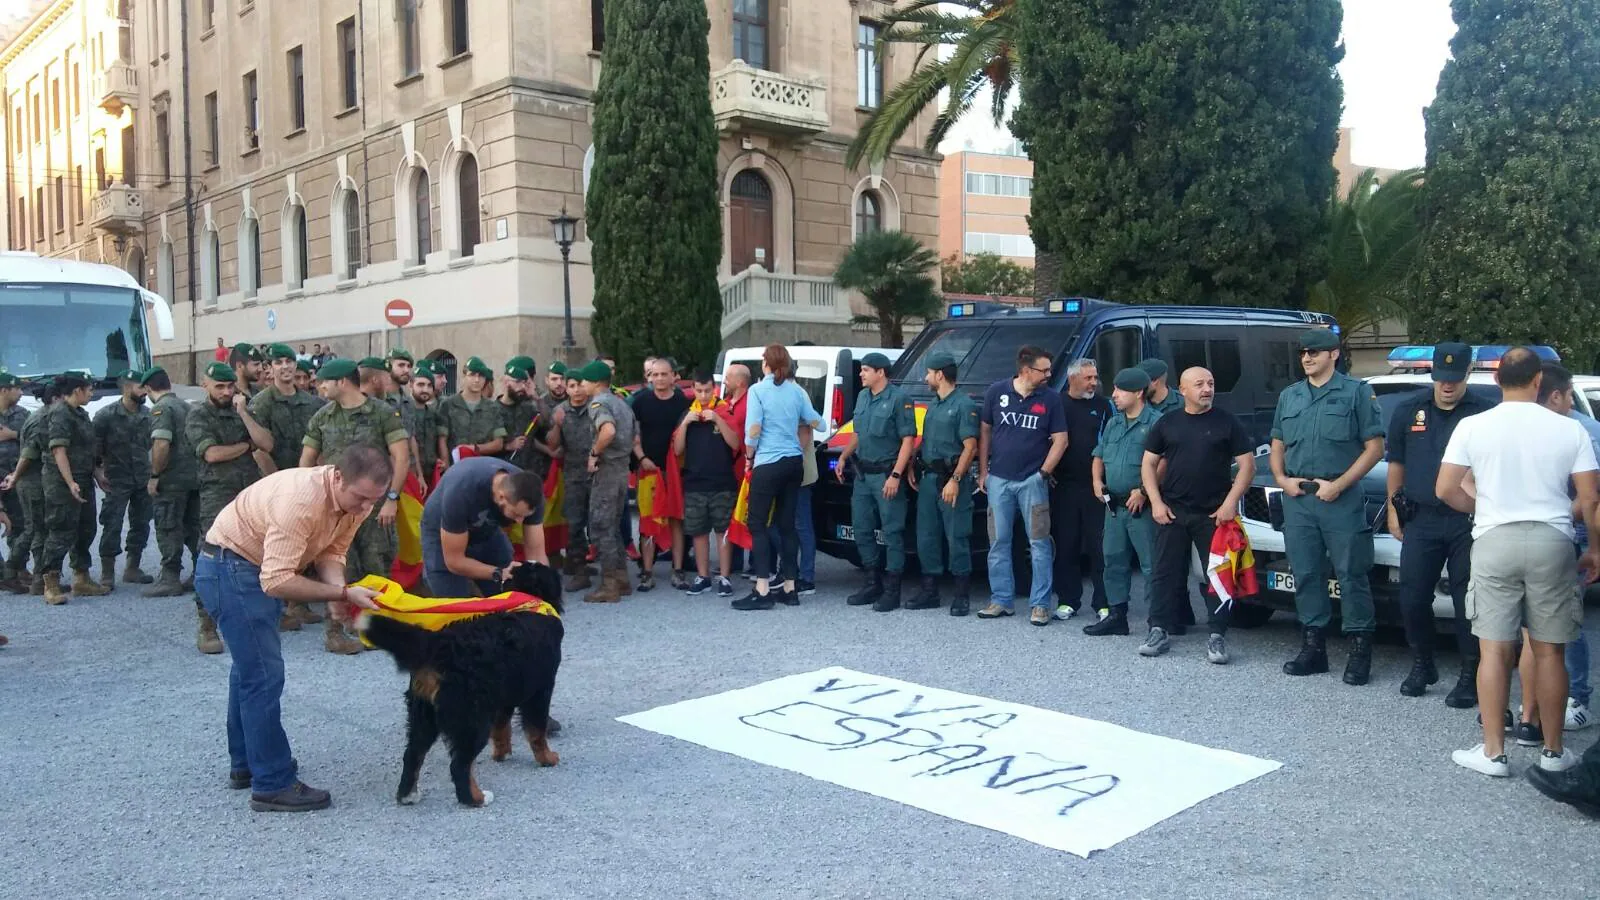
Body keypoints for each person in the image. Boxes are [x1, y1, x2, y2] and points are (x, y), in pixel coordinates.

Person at [195, 445, 392, 812]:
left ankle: (248, 764)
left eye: (374, 501)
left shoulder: (352, 501)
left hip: (247, 568)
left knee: (250, 670)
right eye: (361, 498)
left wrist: (337, 597)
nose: (366, 509)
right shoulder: (301, 501)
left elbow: (333, 551)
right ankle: (271, 783)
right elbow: (276, 581)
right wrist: (343, 591)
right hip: (231, 569)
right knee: (264, 674)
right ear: (337, 476)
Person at [1437, 347, 1598, 778]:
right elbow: (1591, 498)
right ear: (1538, 383)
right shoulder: (1568, 429)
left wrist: (1482, 510)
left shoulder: (1473, 426)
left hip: (1494, 538)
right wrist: (1595, 548)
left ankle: (1493, 753)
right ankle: (1553, 750)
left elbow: (1446, 488)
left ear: (1496, 381)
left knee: (1493, 649)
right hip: (1553, 540)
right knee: (1550, 650)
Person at [1270, 328, 1386, 685]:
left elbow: (1374, 448)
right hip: (1299, 500)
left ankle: (1359, 650)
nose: (1307, 358)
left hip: (1339, 497)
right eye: (1304, 352)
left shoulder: (1356, 393)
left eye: (1315, 352)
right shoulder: (1290, 396)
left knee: (1351, 574)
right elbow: (1277, 443)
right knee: (1305, 574)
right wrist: (1282, 479)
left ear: (1334, 354)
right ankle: (1313, 648)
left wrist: (1339, 485)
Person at [1385, 342, 1490, 703]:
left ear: (1467, 374)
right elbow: (1396, 463)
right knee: (1412, 597)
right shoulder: (1409, 410)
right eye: (1441, 378)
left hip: (1467, 521)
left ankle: (1469, 673)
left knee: (1467, 602)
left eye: (1455, 379)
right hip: (1421, 518)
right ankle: (1422, 664)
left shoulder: (1484, 413)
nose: (1447, 386)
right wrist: (1393, 507)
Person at [1138, 367, 1255, 662]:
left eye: (1211, 383)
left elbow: (1247, 466)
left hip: (1214, 514)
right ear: (1183, 390)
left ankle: (1217, 635)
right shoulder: (1168, 422)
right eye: (1200, 384)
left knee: (1217, 576)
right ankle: (1159, 629)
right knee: (1164, 574)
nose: (1207, 389)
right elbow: (1148, 464)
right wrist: (1155, 501)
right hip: (1173, 512)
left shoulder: (1227, 422)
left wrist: (1230, 503)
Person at [301, 358, 410, 653]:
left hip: (375, 507)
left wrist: (391, 499)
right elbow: (307, 460)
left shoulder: (382, 413)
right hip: (336, 507)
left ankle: (378, 629)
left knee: (378, 563)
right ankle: (335, 631)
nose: (319, 386)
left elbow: (401, 457)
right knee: (336, 566)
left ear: (342, 382)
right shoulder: (322, 417)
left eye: (324, 381)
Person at [1529, 364, 1600, 737]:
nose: (1571, 400)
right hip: (1544, 535)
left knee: (1566, 622)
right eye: (1569, 393)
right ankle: (1538, 702)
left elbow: (1592, 494)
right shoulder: (1533, 429)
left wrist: (1549, 516)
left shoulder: (1584, 431)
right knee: (1537, 626)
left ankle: (1579, 700)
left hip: (1575, 534)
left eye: (1570, 394)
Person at [977, 345, 1067, 625]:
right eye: (1044, 370)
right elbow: (985, 431)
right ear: (1026, 370)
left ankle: (1040, 605)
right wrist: (983, 472)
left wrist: (1042, 473)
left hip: (1032, 482)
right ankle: (1001, 600)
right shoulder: (997, 392)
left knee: (1039, 544)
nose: (1049, 375)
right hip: (999, 480)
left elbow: (1061, 440)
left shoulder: (1051, 399)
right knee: (998, 542)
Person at [186, 362, 270, 649]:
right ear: (205, 386)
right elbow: (212, 454)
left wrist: (244, 413)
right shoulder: (198, 415)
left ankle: (251, 613)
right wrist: (246, 447)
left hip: (249, 493)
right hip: (217, 494)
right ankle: (206, 623)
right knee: (212, 554)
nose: (225, 392)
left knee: (256, 550)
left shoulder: (242, 410)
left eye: (229, 386)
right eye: (219, 386)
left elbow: (266, 442)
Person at [733, 344, 823, 611]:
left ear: (767, 364)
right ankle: (790, 588)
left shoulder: (758, 391)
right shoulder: (798, 391)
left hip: (768, 462)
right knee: (788, 526)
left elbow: (753, 430)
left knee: (758, 524)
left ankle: (762, 589)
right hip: (794, 463)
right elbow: (817, 421)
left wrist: (749, 456)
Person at [834, 352, 916, 611]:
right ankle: (872, 582)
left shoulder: (898, 399)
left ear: (881, 372)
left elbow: (907, 440)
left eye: (866, 370)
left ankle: (892, 589)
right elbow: (860, 433)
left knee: (892, 531)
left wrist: (896, 475)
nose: (861, 374)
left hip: (885, 475)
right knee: (862, 527)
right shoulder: (862, 397)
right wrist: (844, 457)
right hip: (863, 475)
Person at [1085, 367, 1160, 636]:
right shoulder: (1115, 422)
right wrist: (1096, 481)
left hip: (1142, 507)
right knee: (1113, 559)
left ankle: (1157, 621)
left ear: (1138, 393)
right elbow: (1099, 454)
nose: (1114, 395)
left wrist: (1143, 490)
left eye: (1120, 390)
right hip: (1114, 507)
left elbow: (1163, 463)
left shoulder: (1155, 423)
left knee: (1151, 564)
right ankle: (1117, 616)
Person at [908, 351, 979, 615]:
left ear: (940, 374)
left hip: (952, 481)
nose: (926, 378)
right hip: (929, 479)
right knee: (926, 535)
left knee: (956, 535)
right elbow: (928, 440)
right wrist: (913, 464)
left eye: (928, 373)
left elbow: (970, 447)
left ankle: (961, 595)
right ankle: (930, 591)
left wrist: (956, 480)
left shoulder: (963, 405)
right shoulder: (934, 404)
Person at [421, 455, 547, 595]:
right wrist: (498, 573)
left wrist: (542, 592)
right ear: (501, 497)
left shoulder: (531, 496)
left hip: (486, 530)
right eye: (516, 515)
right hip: (444, 533)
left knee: (511, 593)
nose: (520, 521)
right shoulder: (461, 494)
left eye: (525, 516)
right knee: (457, 606)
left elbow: (536, 555)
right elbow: (454, 561)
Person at [40, 374, 111, 603]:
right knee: (61, 530)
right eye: (89, 390)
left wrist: (97, 474)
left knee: (86, 528)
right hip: (62, 482)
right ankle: (50, 583)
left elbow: (88, 449)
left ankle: (81, 578)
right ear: (77, 390)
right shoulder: (60, 413)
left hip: (83, 479)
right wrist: (70, 482)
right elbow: (58, 450)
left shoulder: (81, 414)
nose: (91, 394)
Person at [1052, 358, 1113, 620]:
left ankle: (1103, 601)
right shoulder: (1057, 404)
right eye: (1088, 378)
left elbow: (1110, 440)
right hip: (1064, 486)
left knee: (1100, 546)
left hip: (1096, 488)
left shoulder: (1103, 405)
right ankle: (1068, 600)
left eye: (1095, 377)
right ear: (1072, 378)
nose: (1094, 383)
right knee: (1066, 545)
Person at [675, 370, 741, 596]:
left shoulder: (724, 410)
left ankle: (724, 577)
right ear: (693, 390)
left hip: (722, 482)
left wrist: (718, 419)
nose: (703, 396)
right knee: (698, 532)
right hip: (694, 482)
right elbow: (677, 450)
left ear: (714, 389)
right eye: (698, 390)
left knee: (723, 531)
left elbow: (735, 444)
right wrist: (685, 424)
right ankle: (703, 576)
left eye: (707, 390)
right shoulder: (687, 414)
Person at [142, 366, 205, 600]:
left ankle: (170, 577)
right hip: (193, 479)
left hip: (172, 481)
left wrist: (155, 475)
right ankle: (200, 572)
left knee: (168, 526)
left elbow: (161, 444)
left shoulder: (161, 408)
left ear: (149, 388)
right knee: (192, 527)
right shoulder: (186, 406)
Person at [630, 357, 692, 591]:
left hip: (675, 471)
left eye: (663, 374)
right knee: (648, 521)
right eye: (654, 375)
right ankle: (647, 572)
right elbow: (633, 436)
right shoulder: (640, 401)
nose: (658, 379)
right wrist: (642, 458)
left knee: (677, 519)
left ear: (674, 375)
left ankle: (678, 570)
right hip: (648, 470)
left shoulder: (682, 402)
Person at [578, 360, 638, 603]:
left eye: (583, 381)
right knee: (613, 527)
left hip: (607, 472)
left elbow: (608, 431)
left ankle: (609, 585)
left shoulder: (598, 403)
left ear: (595, 383)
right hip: (622, 470)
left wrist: (594, 453)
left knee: (601, 526)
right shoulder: (622, 403)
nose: (581, 385)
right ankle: (621, 579)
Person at [92, 370, 155, 589]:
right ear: (127, 388)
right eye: (141, 387)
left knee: (141, 523)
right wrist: (98, 472)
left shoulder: (149, 415)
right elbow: (94, 449)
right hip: (116, 479)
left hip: (142, 478)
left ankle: (132, 567)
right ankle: (107, 572)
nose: (145, 391)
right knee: (112, 523)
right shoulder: (105, 415)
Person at [550, 371, 597, 591]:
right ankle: (578, 570)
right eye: (572, 386)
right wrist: (557, 425)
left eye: (580, 385)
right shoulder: (560, 411)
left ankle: (607, 570)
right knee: (575, 524)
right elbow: (553, 445)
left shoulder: (596, 408)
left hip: (597, 474)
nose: (576, 390)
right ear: (566, 389)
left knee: (598, 523)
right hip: (573, 476)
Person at [439, 356, 506, 466]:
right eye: (472, 375)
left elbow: (499, 443)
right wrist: (446, 463)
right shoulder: (448, 405)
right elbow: (442, 439)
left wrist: (474, 449)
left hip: (482, 467)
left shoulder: (493, 408)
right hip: (455, 467)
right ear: (464, 377)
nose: (477, 380)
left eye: (481, 376)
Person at [0, 370, 28, 593]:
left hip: (17, 476)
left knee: (20, 524)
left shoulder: (23, 414)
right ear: (4, 390)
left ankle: (18, 568)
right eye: (17, 389)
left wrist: (13, 435)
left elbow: (34, 440)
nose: (20, 393)